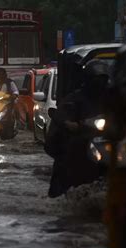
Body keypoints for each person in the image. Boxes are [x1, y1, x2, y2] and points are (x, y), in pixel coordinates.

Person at [45, 59, 109, 197]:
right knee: (70, 156)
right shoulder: (75, 99)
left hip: (108, 142)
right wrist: (71, 123)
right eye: (97, 79)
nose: (100, 83)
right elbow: (63, 115)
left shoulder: (112, 97)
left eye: (103, 79)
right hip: (82, 141)